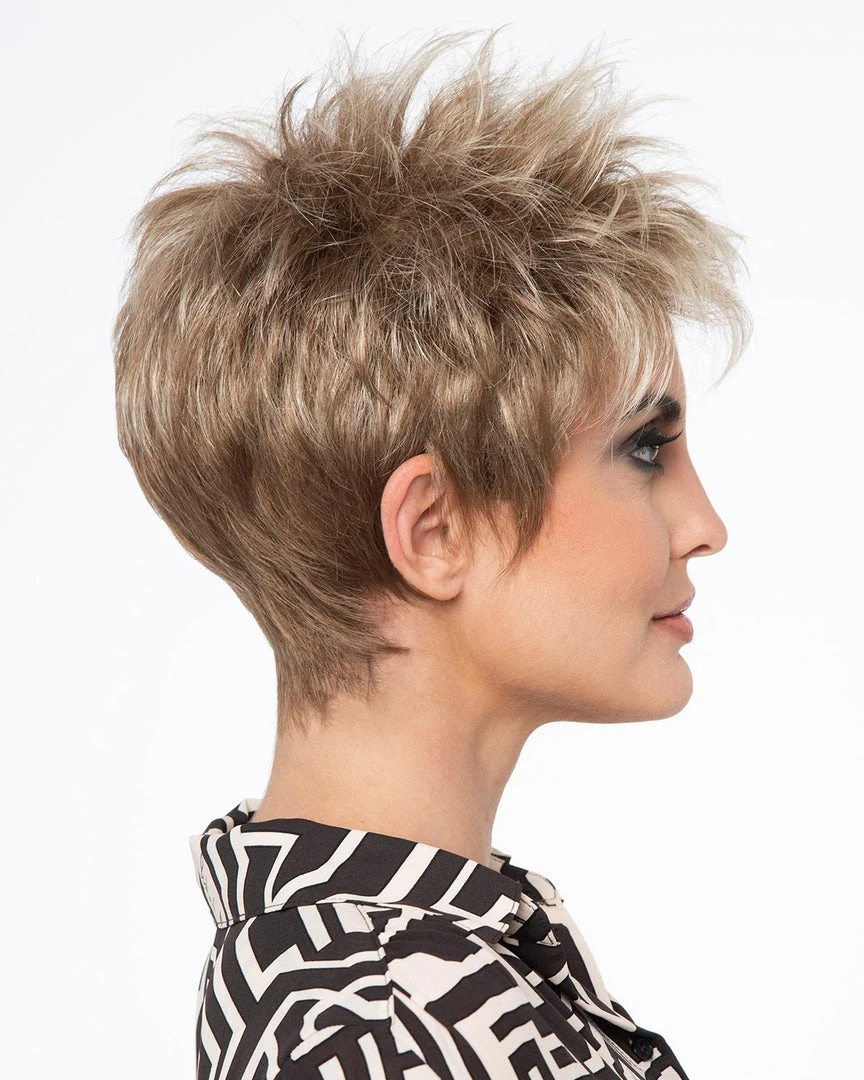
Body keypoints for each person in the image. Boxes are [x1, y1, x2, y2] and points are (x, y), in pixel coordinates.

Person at [113, 30, 751, 1079]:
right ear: (435, 530)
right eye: (645, 449)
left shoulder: (415, 963)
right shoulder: (366, 1026)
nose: (705, 524)